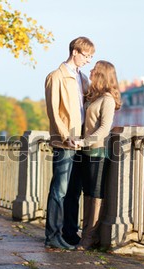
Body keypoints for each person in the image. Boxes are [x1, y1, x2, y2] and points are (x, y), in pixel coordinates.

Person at [44, 37, 95, 250]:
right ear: (75, 51)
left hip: (80, 141)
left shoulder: (82, 78)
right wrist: (66, 136)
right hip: (65, 141)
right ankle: (52, 236)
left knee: (74, 190)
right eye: (86, 55)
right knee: (60, 190)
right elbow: (53, 110)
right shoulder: (55, 76)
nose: (88, 60)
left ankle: (70, 233)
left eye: (91, 57)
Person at [75, 60, 122, 250]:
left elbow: (104, 128)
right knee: (87, 193)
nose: (91, 70)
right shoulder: (94, 96)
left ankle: (90, 237)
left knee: (95, 194)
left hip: (98, 151)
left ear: (102, 74)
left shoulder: (108, 99)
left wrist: (84, 142)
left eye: (94, 69)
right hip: (85, 150)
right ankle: (85, 233)